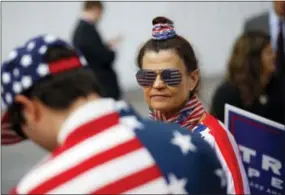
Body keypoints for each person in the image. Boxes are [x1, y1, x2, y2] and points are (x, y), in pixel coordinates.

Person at [1, 34, 227, 194]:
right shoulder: (195, 146)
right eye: (147, 76)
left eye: (20, 129)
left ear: (28, 110)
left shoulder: (35, 188)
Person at [135, 16, 250, 194]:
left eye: (170, 76)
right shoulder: (138, 136)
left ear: (193, 79)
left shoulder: (214, 138)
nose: (157, 85)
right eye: (147, 77)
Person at [211, 31, 284, 124]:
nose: (274, 56)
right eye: (269, 53)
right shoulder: (228, 94)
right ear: (253, 60)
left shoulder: (277, 86)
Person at [72, 1, 122, 100]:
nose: (101, 17)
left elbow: (93, 51)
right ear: (96, 10)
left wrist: (106, 46)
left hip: (95, 83)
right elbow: (103, 57)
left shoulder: (81, 30)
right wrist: (111, 50)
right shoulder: (87, 30)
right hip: (102, 85)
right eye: (101, 13)